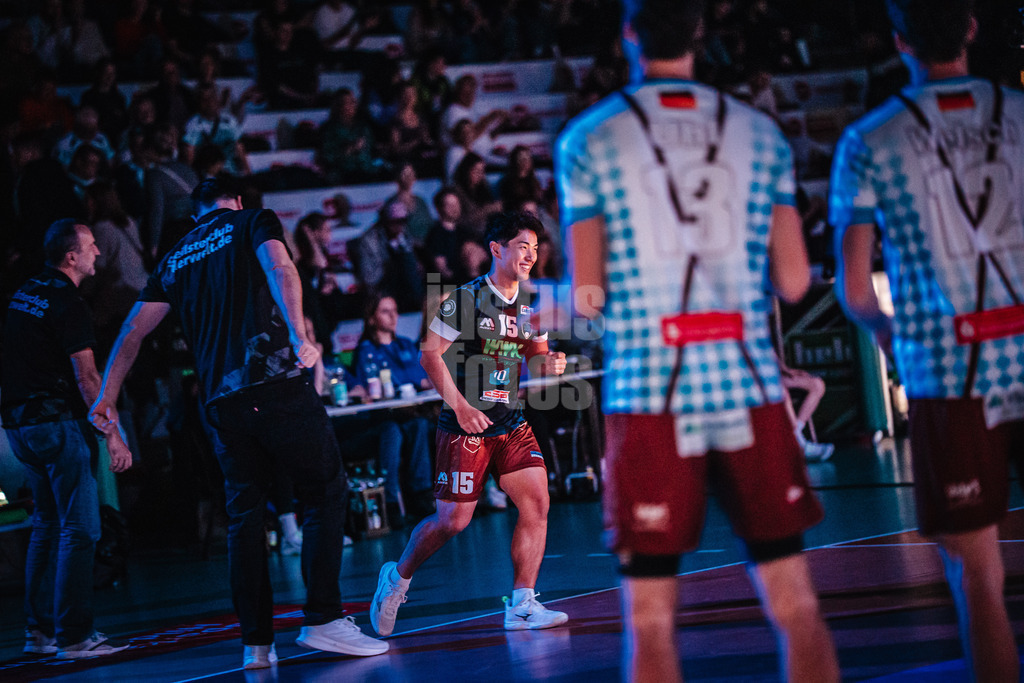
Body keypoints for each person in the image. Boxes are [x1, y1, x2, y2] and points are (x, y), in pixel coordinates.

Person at [555, 1, 840, 681]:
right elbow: (796, 280)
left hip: (651, 391)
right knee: (796, 602)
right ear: (700, 35)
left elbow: (586, 297)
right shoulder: (758, 132)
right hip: (747, 386)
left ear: (628, 35)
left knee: (650, 620)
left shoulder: (588, 139)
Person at [89, 177, 388, 669]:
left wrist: (107, 395)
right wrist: (297, 332)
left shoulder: (177, 255)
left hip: (221, 405)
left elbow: (133, 330)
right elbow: (280, 266)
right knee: (325, 489)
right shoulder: (252, 221)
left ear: (196, 212)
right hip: (271, 384)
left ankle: (256, 645)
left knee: (245, 517)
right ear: (238, 202)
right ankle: (324, 620)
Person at [830, 1, 1023, 680]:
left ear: (899, 39)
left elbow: (854, 291)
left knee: (977, 572)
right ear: (973, 26)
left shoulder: (868, 140)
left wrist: (888, 336)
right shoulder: (1020, 112)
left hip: (948, 369)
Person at [369, 210, 569, 637]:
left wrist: (550, 363)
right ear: (497, 249)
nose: (530, 255)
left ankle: (522, 604)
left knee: (537, 503)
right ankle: (397, 577)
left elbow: (535, 359)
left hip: (511, 421)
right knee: (452, 522)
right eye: (522, 246)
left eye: (535, 248)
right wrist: (460, 407)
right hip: (465, 426)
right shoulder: (465, 298)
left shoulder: (529, 304)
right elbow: (429, 354)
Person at [1, 219, 133, 659]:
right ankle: (75, 636)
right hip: (57, 426)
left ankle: (39, 634)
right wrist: (112, 435)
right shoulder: (68, 302)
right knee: (82, 529)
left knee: (46, 526)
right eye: (92, 246)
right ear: (71, 256)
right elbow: (88, 376)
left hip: (21, 427)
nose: (98, 252)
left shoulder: (24, 293)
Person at [350, 294, 435, 525]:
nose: (393, 316)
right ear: (371, 318)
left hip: (411, 414)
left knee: (420, 425)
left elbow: (422, 380)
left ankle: (422, 494)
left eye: (395, 310)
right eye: (385, 311)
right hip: (381, 418)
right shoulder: (366, 351)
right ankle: (390, 503)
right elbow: (369, 388)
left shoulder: (405, 344)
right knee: (393, 432)